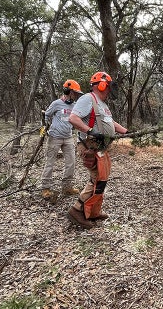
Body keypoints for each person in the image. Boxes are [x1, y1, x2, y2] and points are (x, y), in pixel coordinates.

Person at [66, 71, 128, 229]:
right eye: (108, 87)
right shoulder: (88, 98)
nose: (109, 90)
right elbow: (73, 118)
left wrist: (127, 132)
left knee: (102, 178)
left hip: (100, 146)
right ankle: (77, 210)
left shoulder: (103, 104)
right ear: (101, 85)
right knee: (96, 179)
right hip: (90, 144)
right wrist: (90, 131)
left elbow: (111, 122)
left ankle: (93, 211)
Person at [40, 79, 83, 202]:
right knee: (50, 163)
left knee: (71, 162)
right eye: (74, 93)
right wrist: (45, 128)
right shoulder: (56, 104)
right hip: (55, 137)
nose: (76, 95)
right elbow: (46, 116)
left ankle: (67, 187)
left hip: (68, 137)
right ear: (67, 91)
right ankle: (46, 188)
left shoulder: (75, 106)